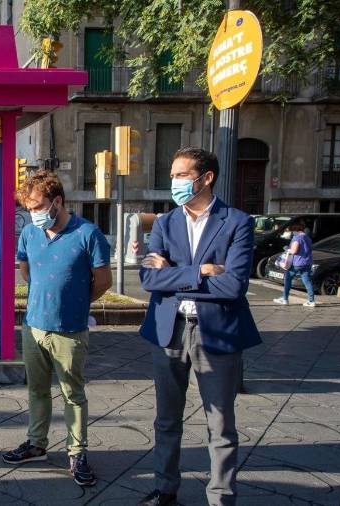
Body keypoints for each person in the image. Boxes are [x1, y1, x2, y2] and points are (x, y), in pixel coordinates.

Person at [138, 147, 262, 506]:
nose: (174, 182)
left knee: (220, 424)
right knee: (166, 419)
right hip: (169, 330)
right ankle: (165, 489)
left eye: (181, 175)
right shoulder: (164, 222)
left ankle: (221, 497)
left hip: (217, 332)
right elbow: (148, 279)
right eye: (173, 175)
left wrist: (172, 274)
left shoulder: (237, 222)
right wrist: (202, 271)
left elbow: (233, 286)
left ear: (205, 178)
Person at [2, 169, 112, 488]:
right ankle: (36, 443)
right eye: (29, 208)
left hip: (70, 330)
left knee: (72, 393)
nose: (33, 214)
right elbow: (26, 271)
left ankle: (77, 452)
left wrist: (75, 302)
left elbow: (103, 282)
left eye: (38, 206)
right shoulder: (29, 234)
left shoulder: (88, 233)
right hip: (34, 327)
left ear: (57, 201)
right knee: (36, 390)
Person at [273, 220, 315, 307]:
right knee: (307, 281)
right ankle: (311, 301)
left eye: (292, 231)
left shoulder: (297, 238)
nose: (292, 233)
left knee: (288, 279)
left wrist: (287, 249)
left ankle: (285, 299)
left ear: (295, 230)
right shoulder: (307, 238)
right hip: (307, 262)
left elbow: (294, 251)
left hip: (297, 263)